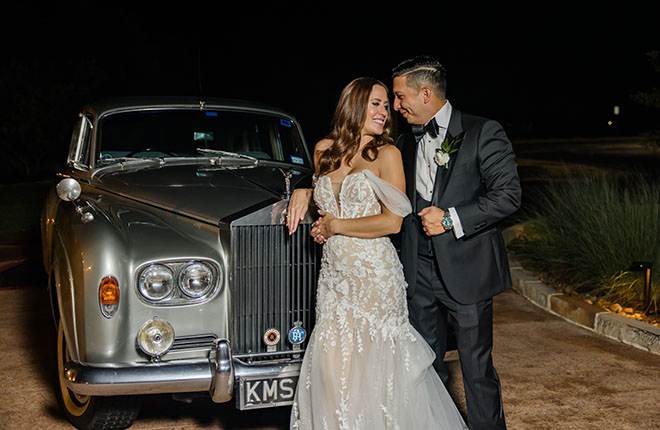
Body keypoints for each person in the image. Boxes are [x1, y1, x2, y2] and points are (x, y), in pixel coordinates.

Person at [287, 77, 468, 429]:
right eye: (376, 103)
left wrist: (337, 226)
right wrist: (304, 192)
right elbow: (321, 190)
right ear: (353, 105)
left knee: (377, 371)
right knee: (332, 372)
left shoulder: (388, 154)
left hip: (375, 277)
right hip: (335, 280)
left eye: (387, 105)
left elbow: (392, 222)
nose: (385, 112)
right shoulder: (324, 149)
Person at [390, 55, 522, 429]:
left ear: (426, 92)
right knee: (426, 369)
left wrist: (451, 218)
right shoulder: (405, 141)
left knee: (476, 369)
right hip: (419, 272)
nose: (397, 106)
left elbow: (508, 195)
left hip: (468, 270)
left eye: (401, 97)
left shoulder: (483, 131)